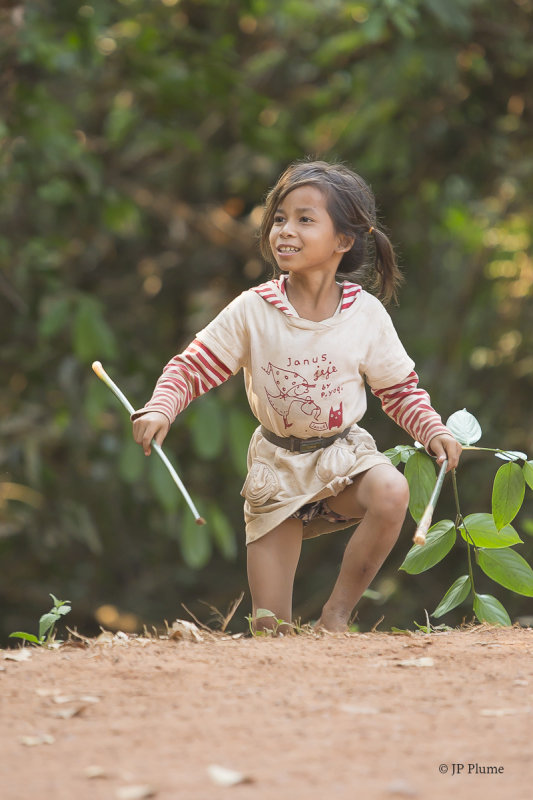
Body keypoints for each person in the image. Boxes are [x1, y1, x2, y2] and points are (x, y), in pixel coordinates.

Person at [132, 160, 462, 634]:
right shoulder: (253, 309)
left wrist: (434, 429)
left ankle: (337, 616)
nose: (286, 230)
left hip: (343, 461)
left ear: (343, 240)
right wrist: (162, 405)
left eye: (305, 219)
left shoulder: (365, 315)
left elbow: (400, 391)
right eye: (280, 218)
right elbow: (191, 367)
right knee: (271, 630)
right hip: (276, 472)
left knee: (392, 490)